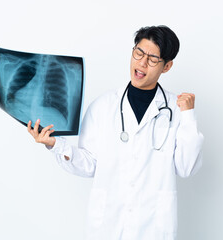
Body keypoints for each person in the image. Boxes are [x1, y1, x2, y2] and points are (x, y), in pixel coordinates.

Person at [27, 25, 204, 240]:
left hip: (154, 227)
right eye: (138, 53)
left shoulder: (177, 110)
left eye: (152, 58)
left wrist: (188, 116)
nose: (142, 63)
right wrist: (55, 144)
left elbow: (186, 168)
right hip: (108, 226)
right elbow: (89, 164)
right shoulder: (103, 106)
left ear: (166, 66)